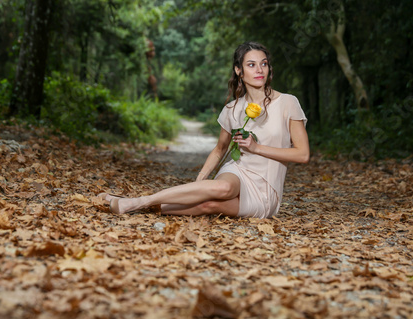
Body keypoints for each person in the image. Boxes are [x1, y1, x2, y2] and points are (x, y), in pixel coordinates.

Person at [98, 41, 309, 218]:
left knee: (209, 206)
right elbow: (220, 149)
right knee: (223, 188)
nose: (259, 70)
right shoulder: (232, 109)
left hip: (266, 190)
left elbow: (302, 154)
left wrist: (256, 148)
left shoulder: (287, 103)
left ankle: (130, 203)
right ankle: (136, 203)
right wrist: (199, 182)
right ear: (239, 71)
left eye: (263, 64)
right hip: (238, 172)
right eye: (251, 65)